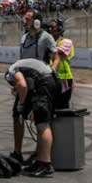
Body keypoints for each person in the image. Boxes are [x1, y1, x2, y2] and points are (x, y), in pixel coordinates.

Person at [11, 9, 59, 165]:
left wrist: (50, 75)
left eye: (27, 19)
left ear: (36, 22)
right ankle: (17, 152)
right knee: (17, 115)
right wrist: (16, 83)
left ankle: (40, 156)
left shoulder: (46, 37)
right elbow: (21, 59)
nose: (24, 21)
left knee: (40, 119)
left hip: (40, 83)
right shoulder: (24, 38)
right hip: (25, 82)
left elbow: (55, 59)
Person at [5, 58, 62, 177]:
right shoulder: (24, 68)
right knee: (39, 120)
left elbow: (23, 85)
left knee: (42, 123)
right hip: (52, 80)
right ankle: (40, 161)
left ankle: (46, 164)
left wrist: (21, 103)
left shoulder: (12, 71)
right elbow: (29, 86)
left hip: (45, 82)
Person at [48, 19, 75, 109]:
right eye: (49, 27)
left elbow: (54, 50)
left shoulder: (66, 42)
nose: (50, 29)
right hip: (51, 78)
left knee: (63, 107)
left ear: (59, 28)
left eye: (52, 27)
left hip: (64, 79)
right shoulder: (48, 42)